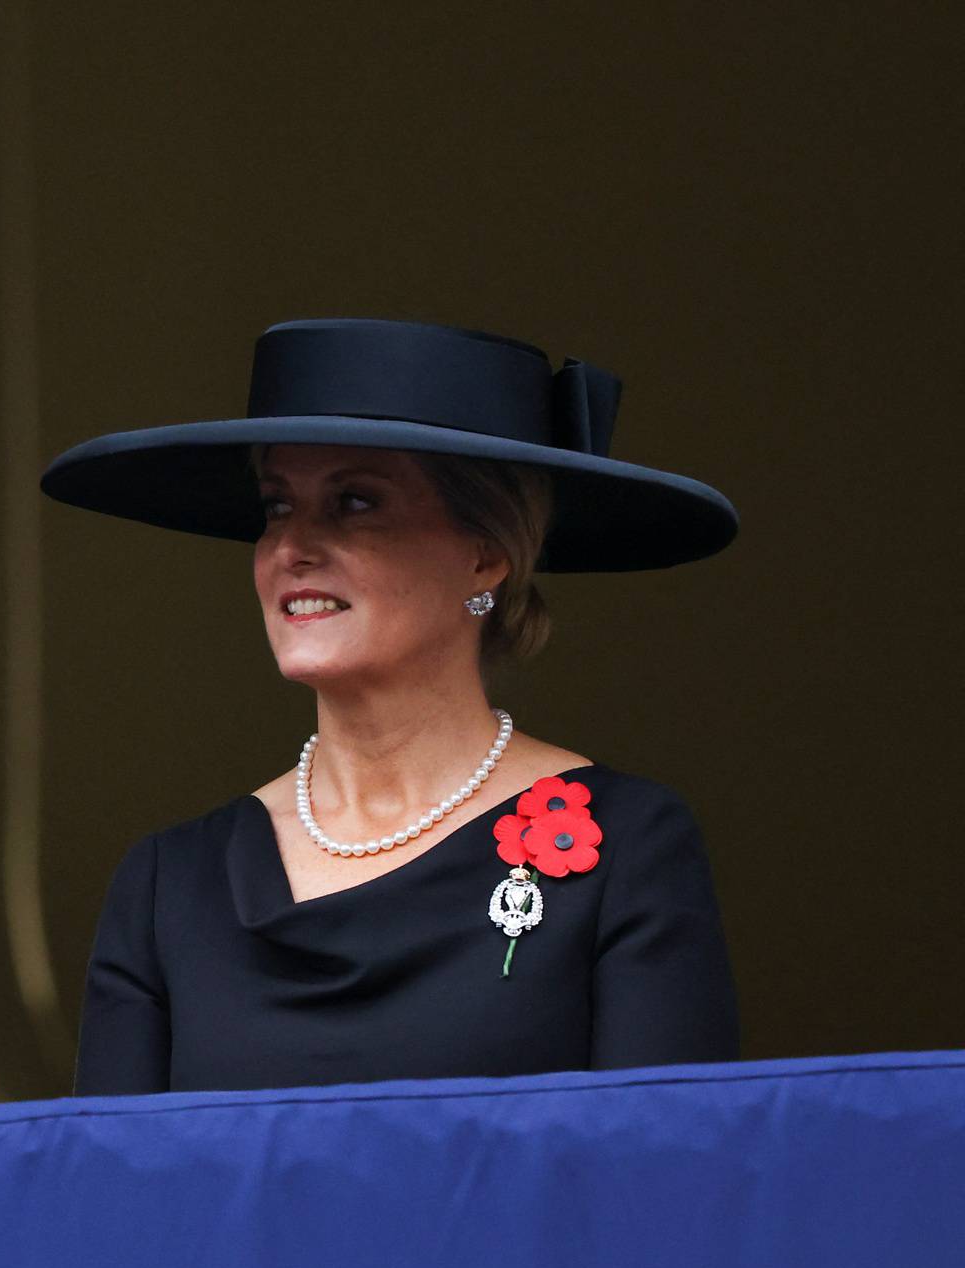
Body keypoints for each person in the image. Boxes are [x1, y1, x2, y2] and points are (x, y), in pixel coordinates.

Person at [43, 318, 739, 1095]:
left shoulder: (630, 847)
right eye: (276, 506)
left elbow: (668, 1181)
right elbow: (110, 1201)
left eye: (356, 501)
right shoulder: (168, 885)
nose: (291, 548)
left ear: (486, 552)